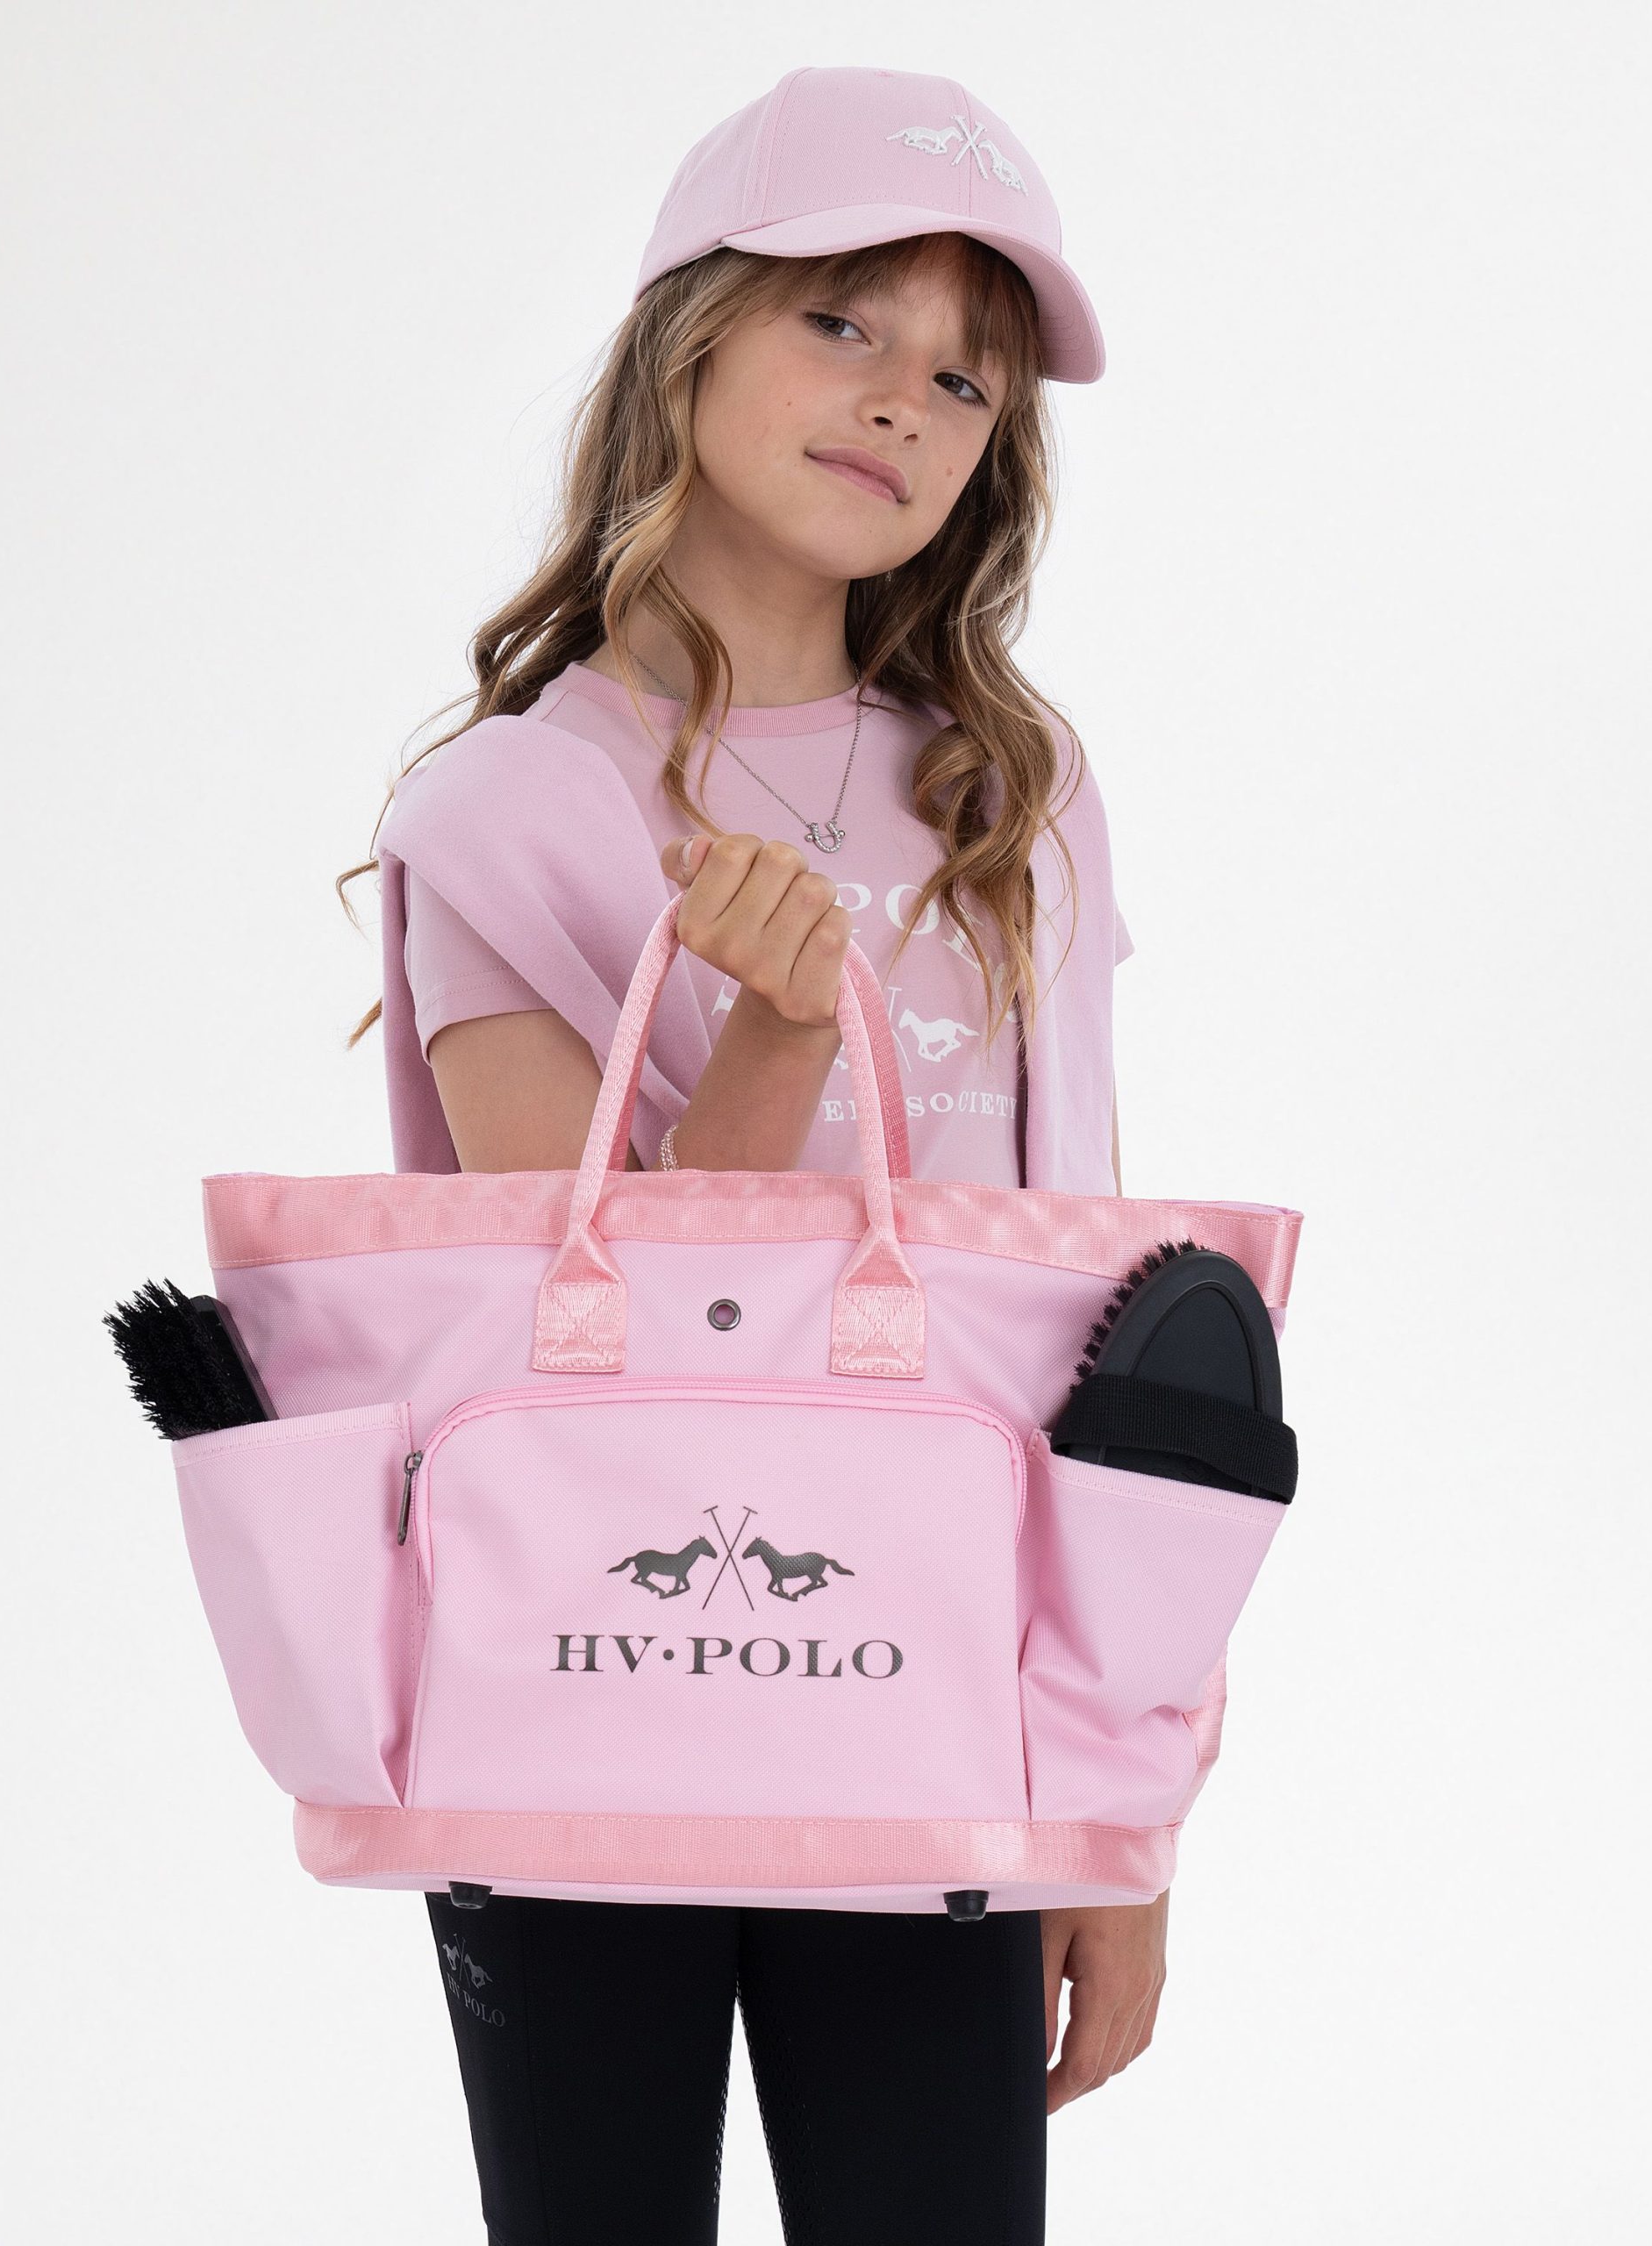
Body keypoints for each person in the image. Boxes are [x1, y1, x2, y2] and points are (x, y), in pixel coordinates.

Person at [341, 65, 1157, 2246]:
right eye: (841, 318)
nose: (902, 398)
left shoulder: (1011, 797)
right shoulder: (510, 810)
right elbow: (571, 1348)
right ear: (688, 337)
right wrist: (775, 1045)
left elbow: (1087, 1320)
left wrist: (1120, 1805)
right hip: (579, 1693)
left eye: (963, 376)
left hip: (936, 1711)